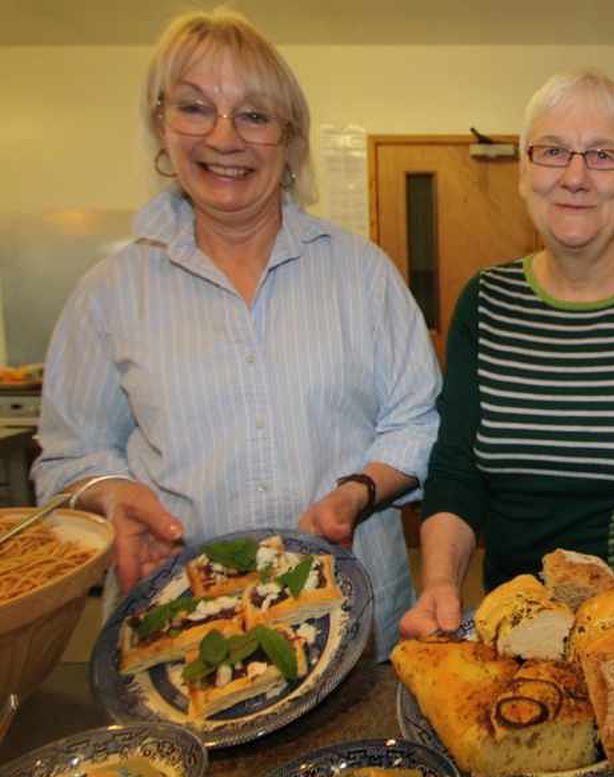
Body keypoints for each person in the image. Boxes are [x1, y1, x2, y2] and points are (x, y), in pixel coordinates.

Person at [32, 9, 441, 658]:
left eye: (254, 115)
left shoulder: (361, 273)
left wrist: (357, 491)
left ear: (290, 141)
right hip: (181, 632)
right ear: (162, 128)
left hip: (347, 619)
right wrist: (113, 493)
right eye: (195, 108)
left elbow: (416, 419)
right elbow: (70, 454)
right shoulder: (111, 292)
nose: (225, 138)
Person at [398, 70, 614, 654]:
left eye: (603, 155)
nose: (575, 176)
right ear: (525, 173)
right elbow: (457, 468)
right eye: (553, 151)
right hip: (513, 633)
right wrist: (438, 583)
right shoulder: (485, 301)